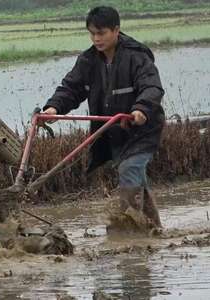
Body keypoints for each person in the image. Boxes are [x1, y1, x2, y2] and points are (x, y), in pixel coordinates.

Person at [42, 6, 165, 228]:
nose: (96, 39)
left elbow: (152, 87)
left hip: (142, 129)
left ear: (116, 30)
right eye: (92, 33)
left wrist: (141, 109)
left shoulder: (136, 56)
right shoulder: (88, 60)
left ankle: (130, 235)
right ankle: (154, 229)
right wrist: (53, 107)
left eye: (101, 33)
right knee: (135, 176)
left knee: (129, 169)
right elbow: (71, 88)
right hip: (114, 130)